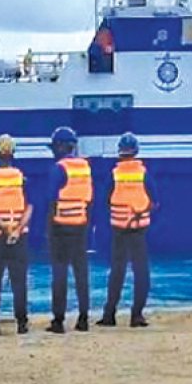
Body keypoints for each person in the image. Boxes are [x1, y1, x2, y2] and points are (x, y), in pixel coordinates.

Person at [97, 132, 158, 328]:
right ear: (136, 151)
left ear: (120, 151)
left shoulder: (114, 174)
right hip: (139, 229)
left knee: (117, 271)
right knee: (141, 272)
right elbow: (155, 200)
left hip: (119, 228)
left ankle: (109, 314)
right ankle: (137, 315)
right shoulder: (144, 173)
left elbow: (106, 199)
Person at [0, 134, 33, 336]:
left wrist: (3, 225)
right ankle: (22, 323)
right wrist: (17, 229)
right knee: (19, 281)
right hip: (19, 236)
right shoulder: (22, 178)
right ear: (13, 154)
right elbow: (29, 207)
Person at [46, 126, 93, 334]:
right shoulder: (85, 168)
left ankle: (58, 320)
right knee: (81, 273)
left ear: (61, 146)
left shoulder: (59, 168)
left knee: (60, 273)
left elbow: (51, 199)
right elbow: (89, 198)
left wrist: (48, 229)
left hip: (60, 227)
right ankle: (83, 318)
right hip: (81, 225)